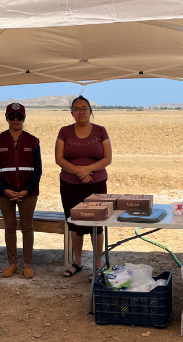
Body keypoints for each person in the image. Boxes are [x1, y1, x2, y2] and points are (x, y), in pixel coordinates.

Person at [56, 95, 112, 278]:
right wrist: (77, 172)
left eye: (84, 108)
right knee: (75, 224)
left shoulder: (100, 131)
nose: (81, 112)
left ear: (91, 111)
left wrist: (87, 169)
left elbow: (107, 158)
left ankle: (97, 264)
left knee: (97, 224)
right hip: (70, 184)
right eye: (77, 109)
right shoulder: (64, 131)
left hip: (96, 185)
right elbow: (59, 158)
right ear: (72, 113)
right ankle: (77, 261)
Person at [0, 103, 42, 279]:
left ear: (24, 119)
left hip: (28, 193)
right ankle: (12, 263)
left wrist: (27, 190)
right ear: (7, 118)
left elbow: (38, 170)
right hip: (5, 193)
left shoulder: (33, 141)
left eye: (19, 117)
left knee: (27, 227)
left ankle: (27, 264)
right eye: (12, 117)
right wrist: (5, 190)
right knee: (9, 227)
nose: (16, 120)